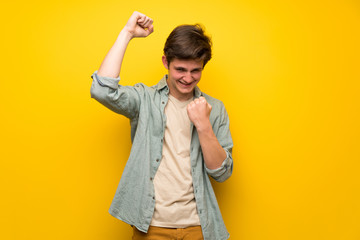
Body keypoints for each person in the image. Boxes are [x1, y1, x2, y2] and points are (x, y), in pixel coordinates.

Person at [90, 11, 233, 240]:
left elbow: (222, 173)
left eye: (196, 70)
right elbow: (101, 90)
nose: (188, 78)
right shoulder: (144, 99)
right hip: (151, 224)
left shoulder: (214, 108)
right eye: (180, 70)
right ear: (166, 62)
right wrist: (127, 33)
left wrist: (204, 125)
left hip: (199, 226)